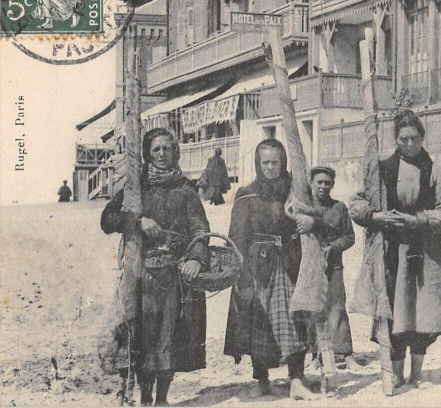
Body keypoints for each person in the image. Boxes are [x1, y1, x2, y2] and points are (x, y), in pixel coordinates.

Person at [100, 128, 209, 406]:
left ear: (176, 152)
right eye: (156, 150)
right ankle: (145, 397)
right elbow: (108, 219)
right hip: (141, 275)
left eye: (167, 149)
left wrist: (197, 257)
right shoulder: (137, 189)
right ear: (147, 154)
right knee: (143, 338)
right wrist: (138, 221)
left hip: (174, 274)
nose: (162, 155)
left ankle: (162, 398)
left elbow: (200, 228)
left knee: (168, 337)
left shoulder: (186, 190)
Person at [349, 109, 441, 389]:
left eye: (415, 138)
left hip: (426, 249)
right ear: (396, 139)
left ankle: (417, 373)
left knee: (421, 311)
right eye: (404, 139)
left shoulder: (436, 169)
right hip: (391, 250)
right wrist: (375, 216)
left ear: (423, 137)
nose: (410, 144)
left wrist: (418, 219)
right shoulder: (382, 169)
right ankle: (396, 372)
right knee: (394, 311)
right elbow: (356, 204)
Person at [223, 139, 315, 400]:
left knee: (293, 319)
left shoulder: (295, 192)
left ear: (283, 162)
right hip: (257, 265)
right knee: (257, 321)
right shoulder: (247, 195)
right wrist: (241, 274)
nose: (271, 167)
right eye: (266, 162)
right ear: (258, 164)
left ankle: (297, 379)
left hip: (289, 263)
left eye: (276, 162)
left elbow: (315, 218)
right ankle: (261, 380)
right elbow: (237, 237)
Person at [306, 165, 359, 371]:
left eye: (327, 183)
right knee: (313, 310)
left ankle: (345, 354)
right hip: (310, 268)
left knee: (337, 307)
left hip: (334, 266)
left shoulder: (339, 208)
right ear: (311, 183)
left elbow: (349, 236)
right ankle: (316, 356)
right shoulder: (305, 207)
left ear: (333, 185)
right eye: (319, 182)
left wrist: (333, 247)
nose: (323, 186)